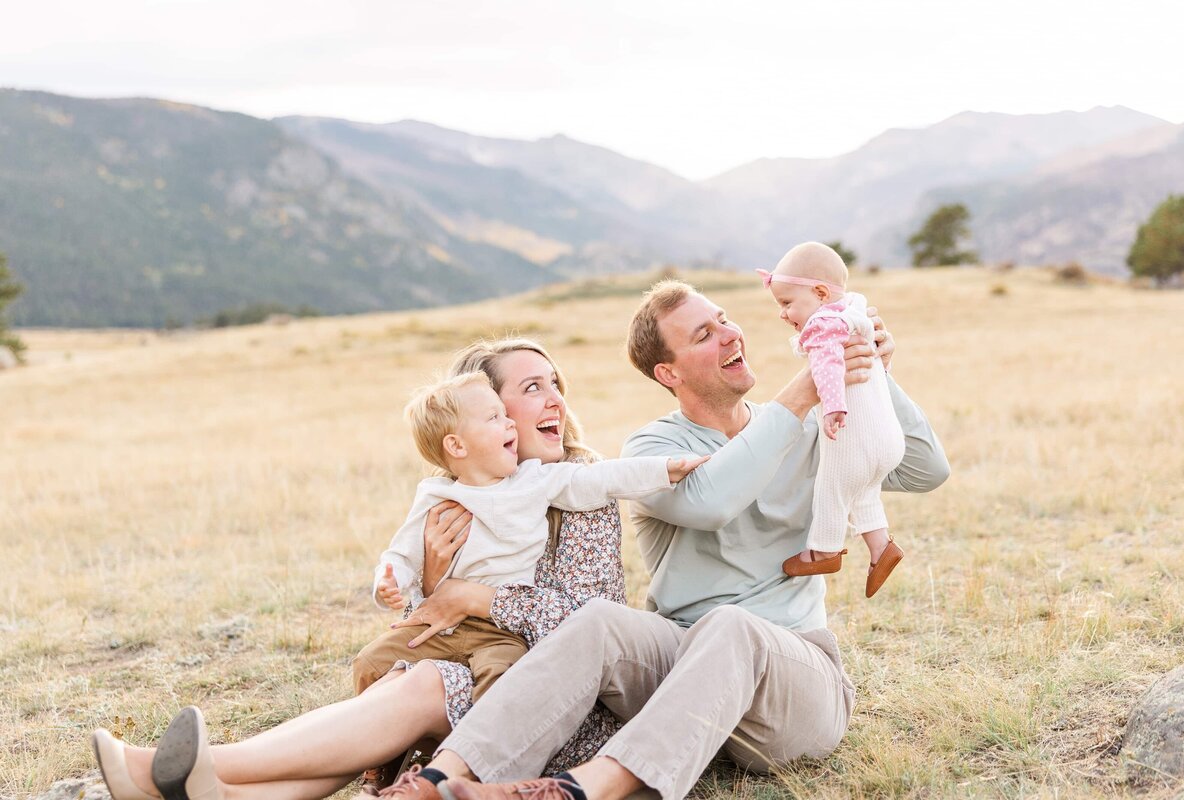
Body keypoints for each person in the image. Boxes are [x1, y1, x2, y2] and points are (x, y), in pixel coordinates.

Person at [377, 279, 949, 800]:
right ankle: (441, 781)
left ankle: (579, 792)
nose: (730, 333)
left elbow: (925, 469)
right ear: (668, 373)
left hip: (796, 684)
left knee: (731, 625)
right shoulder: (653, 450)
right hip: (681, 675)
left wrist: (873, 372)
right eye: (705, 333)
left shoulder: (811, 429)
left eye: (725, 319)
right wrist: (798, 396)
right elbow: (712, 499)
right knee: (598, 621)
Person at [89, 339, 641, 800]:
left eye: (554, 385)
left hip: (556, 708)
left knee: (421, 685)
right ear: (474, 418)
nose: (556, 402)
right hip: (468, 681)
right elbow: (423, 625)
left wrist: (474, 596)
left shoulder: (581, 488)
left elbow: (596, 629)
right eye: (530, 389)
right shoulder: (459, 498)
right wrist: (430, 579)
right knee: (406, 677)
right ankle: (223, 790)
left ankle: (172, 769)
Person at [352, 371, 704, 703]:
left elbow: (598, 479)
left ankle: (476, 752)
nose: (508, 424)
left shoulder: (533, 480)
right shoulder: (436, 497)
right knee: (369, 662)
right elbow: (401, 554)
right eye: (494, 418)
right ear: (457, 446)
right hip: (445, 627)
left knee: (501, 679)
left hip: (502, 629)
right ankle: (376, 764)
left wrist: (663, 469)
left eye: (506, 415)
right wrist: (389, 583)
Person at [757, 242, 906, 597]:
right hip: (888, 439)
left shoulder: (824, 323)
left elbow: (825, 365)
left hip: (854, 437)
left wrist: (834, 406)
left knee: (832, 488)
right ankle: (881, 548)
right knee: (864, 493)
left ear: (821, 294)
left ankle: (823, 550)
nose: (782, 313)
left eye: (786, 303)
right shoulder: (855, 310)